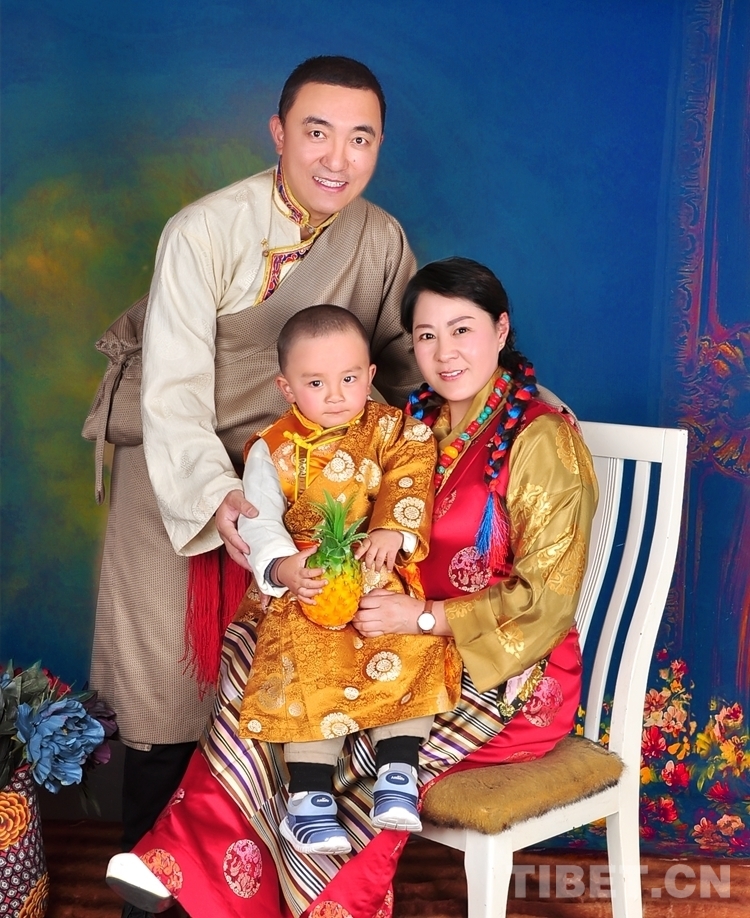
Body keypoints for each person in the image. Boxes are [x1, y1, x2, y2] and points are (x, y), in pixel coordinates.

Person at [105, 256, 598, 918]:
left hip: (504, 665)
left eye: (462, 330)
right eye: (426, 335)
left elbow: (548, 600)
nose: (444, 353)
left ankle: (267, 888)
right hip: (382, 624)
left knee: (348, 731)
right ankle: (189, 863)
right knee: (268, 664)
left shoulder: (540, 439)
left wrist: (421, 617)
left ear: (501, 329)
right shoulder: (408, 422)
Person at [84, 54, 421, 901]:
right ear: (278, 133)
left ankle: (255, 894)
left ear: (380, 145)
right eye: (317, 132)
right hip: (182, 474)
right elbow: (170, 394)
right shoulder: (202, 231)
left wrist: (516, 405)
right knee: (168, 695)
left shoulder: (379, 239)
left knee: (288, 695)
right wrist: (223, 498)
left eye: (360, 138)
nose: (337, 159)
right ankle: (153, 891)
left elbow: (413, 365)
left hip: (309, 493)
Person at [235, 304, 462, 856]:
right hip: (311, 579)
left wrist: (392, 530)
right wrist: (283, 567)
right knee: (307, 660)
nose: (336, 395)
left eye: (349, 379)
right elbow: (258, 519)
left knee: (406, 643)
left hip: (376, 571)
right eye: (316, 383)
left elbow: (412, 470)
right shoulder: (272, 447)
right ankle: (308, 800)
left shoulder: (393, 429)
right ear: (287, 387)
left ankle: (398, 772)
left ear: (370, 374)